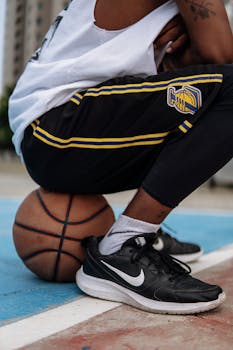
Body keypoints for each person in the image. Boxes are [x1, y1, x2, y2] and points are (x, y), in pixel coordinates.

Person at [9, 0, 233, 314]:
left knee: (209, 90)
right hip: (55, 125)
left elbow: (204, 61)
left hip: (63, 132)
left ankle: (140, 233)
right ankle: (123, 246)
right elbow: (221, 54)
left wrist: (190, 41)